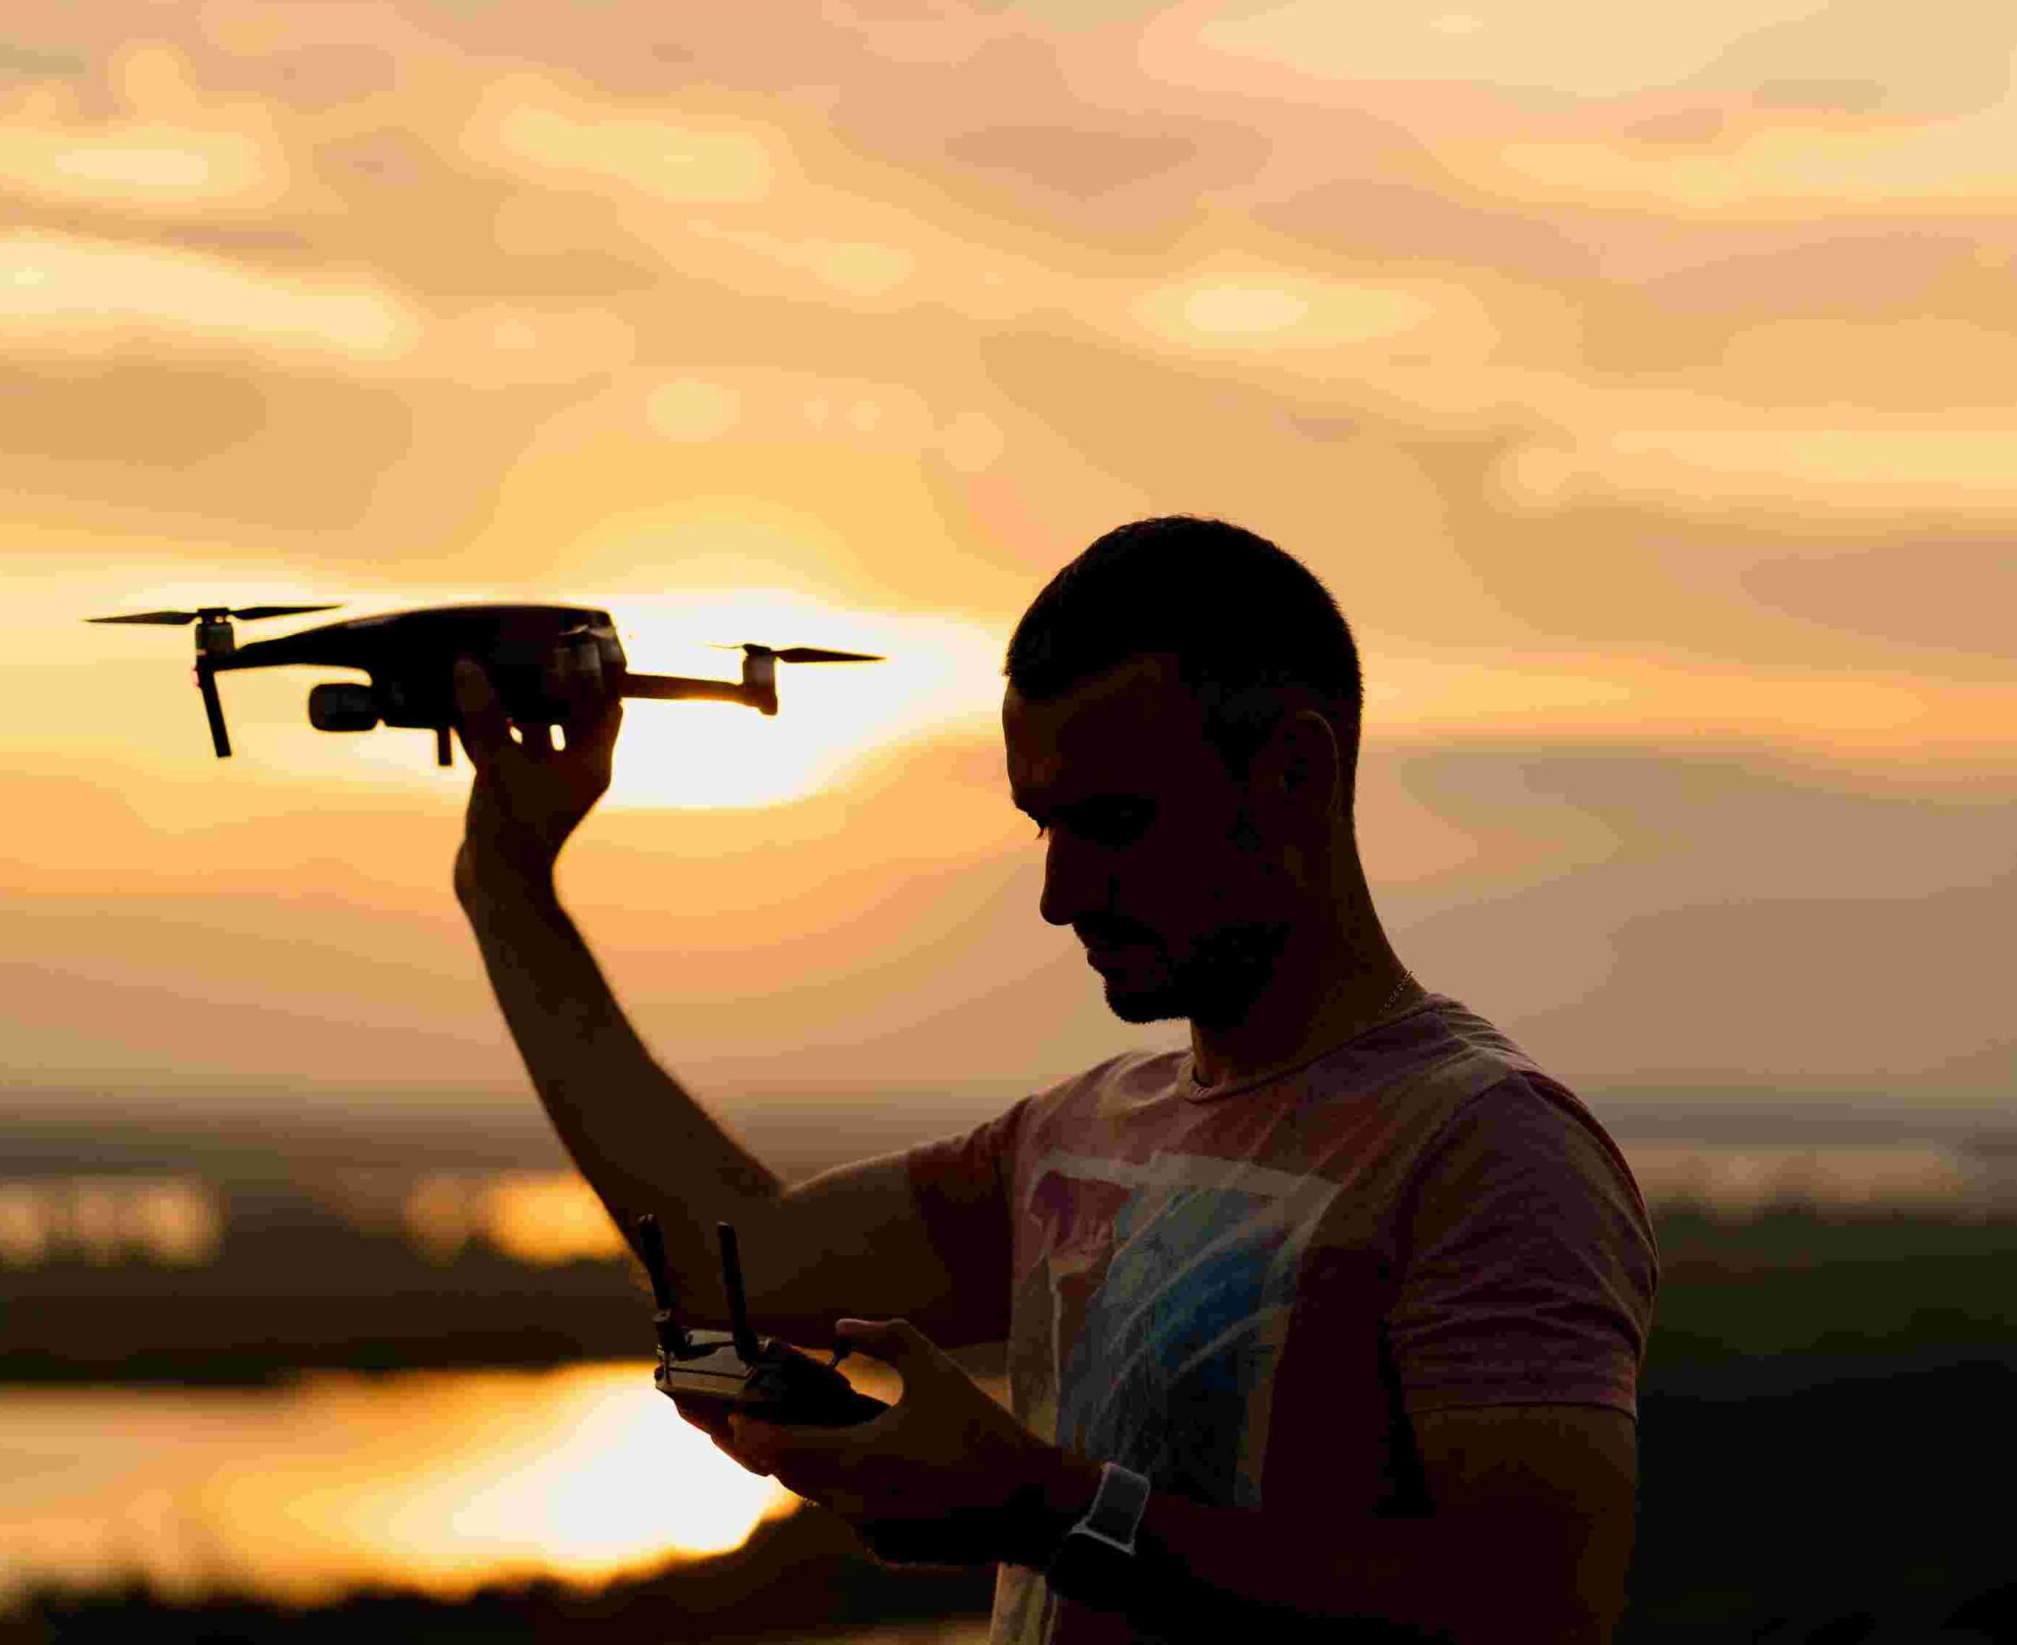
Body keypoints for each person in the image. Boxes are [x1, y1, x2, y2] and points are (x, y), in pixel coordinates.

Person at [449, 516, 1657, 1644]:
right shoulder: (1079, 1135)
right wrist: (509, 888)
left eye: (1116, 822)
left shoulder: (1482, 1149)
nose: (1058, 892)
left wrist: (1045, 1510)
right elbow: (742, 1259)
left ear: (1293, 771)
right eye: (1043, 824)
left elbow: (1533, 1613)